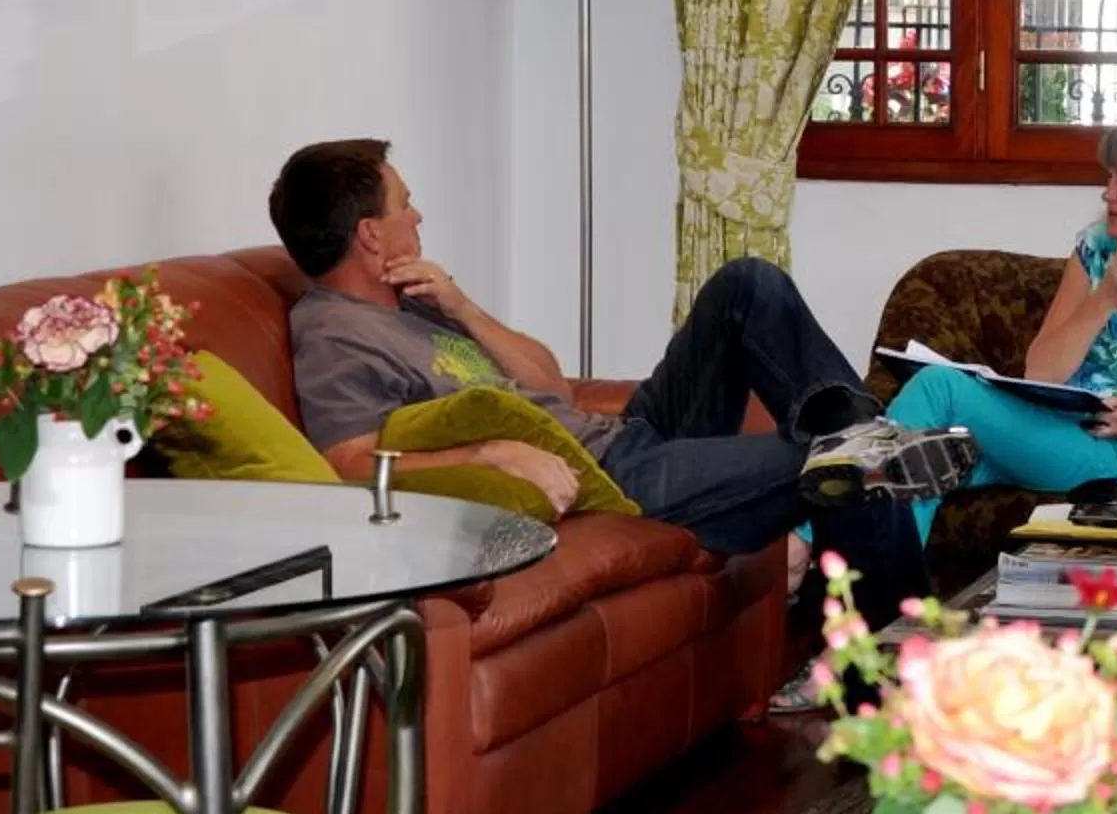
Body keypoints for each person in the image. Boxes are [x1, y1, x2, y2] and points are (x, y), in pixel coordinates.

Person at [268, 139, 972, 613]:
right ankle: (895, 663)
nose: (418, 214)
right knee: (832, 461)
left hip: (624, 435)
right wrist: (486, 453)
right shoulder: (333, 334)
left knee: (748, 286)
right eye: (404, 204)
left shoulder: (418, 299)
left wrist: (461, 304)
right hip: (607, 484)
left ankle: (866, 433)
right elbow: (348, 462)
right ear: (368, 233)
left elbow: (550, 385)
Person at [882, 116, 1117, 538]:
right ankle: (883, 595)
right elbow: (1042, 372)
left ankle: (806, 547)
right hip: (1048, 426)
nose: (1108, 193)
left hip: (1116, 447)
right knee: (923, 459)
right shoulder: (1096, 249)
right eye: (1109, 177)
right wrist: (1106, 295)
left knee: (938, 388)